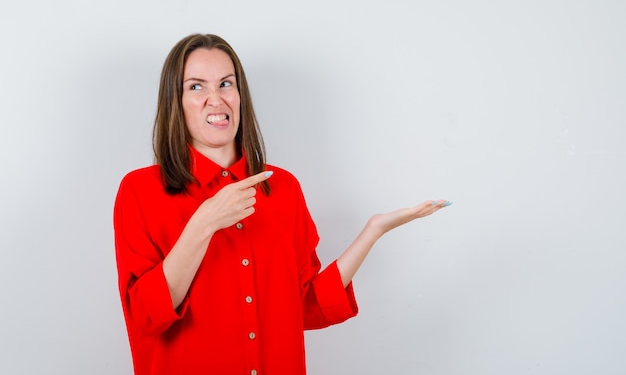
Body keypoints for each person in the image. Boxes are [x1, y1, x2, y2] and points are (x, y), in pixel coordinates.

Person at [114, 33, 451, 375]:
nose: (215, 99)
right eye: (196, 87)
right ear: (176, 101)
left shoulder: (284, 188)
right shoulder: (140, 191)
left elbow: (304, 306)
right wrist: (204, 223)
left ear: (240, 95)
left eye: (226, 84)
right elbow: (145, 316)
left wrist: (372, 232)